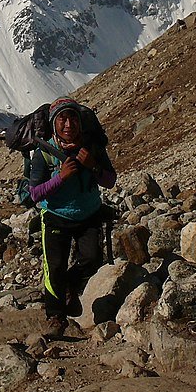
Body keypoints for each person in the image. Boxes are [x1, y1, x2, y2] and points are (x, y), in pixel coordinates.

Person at [26, 97, 116, 336]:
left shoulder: (92, 147)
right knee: (54, 268)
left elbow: (110, 180)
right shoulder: (44, 153)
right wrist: (60, 178)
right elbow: (34, 193)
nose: (68, 124)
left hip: (89, 213)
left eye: (73, 118)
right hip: (55, 216)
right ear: (54, 124)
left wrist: (93, 166)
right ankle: (55, 318)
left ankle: (69, 286)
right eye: (62, 119)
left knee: (92, 258)